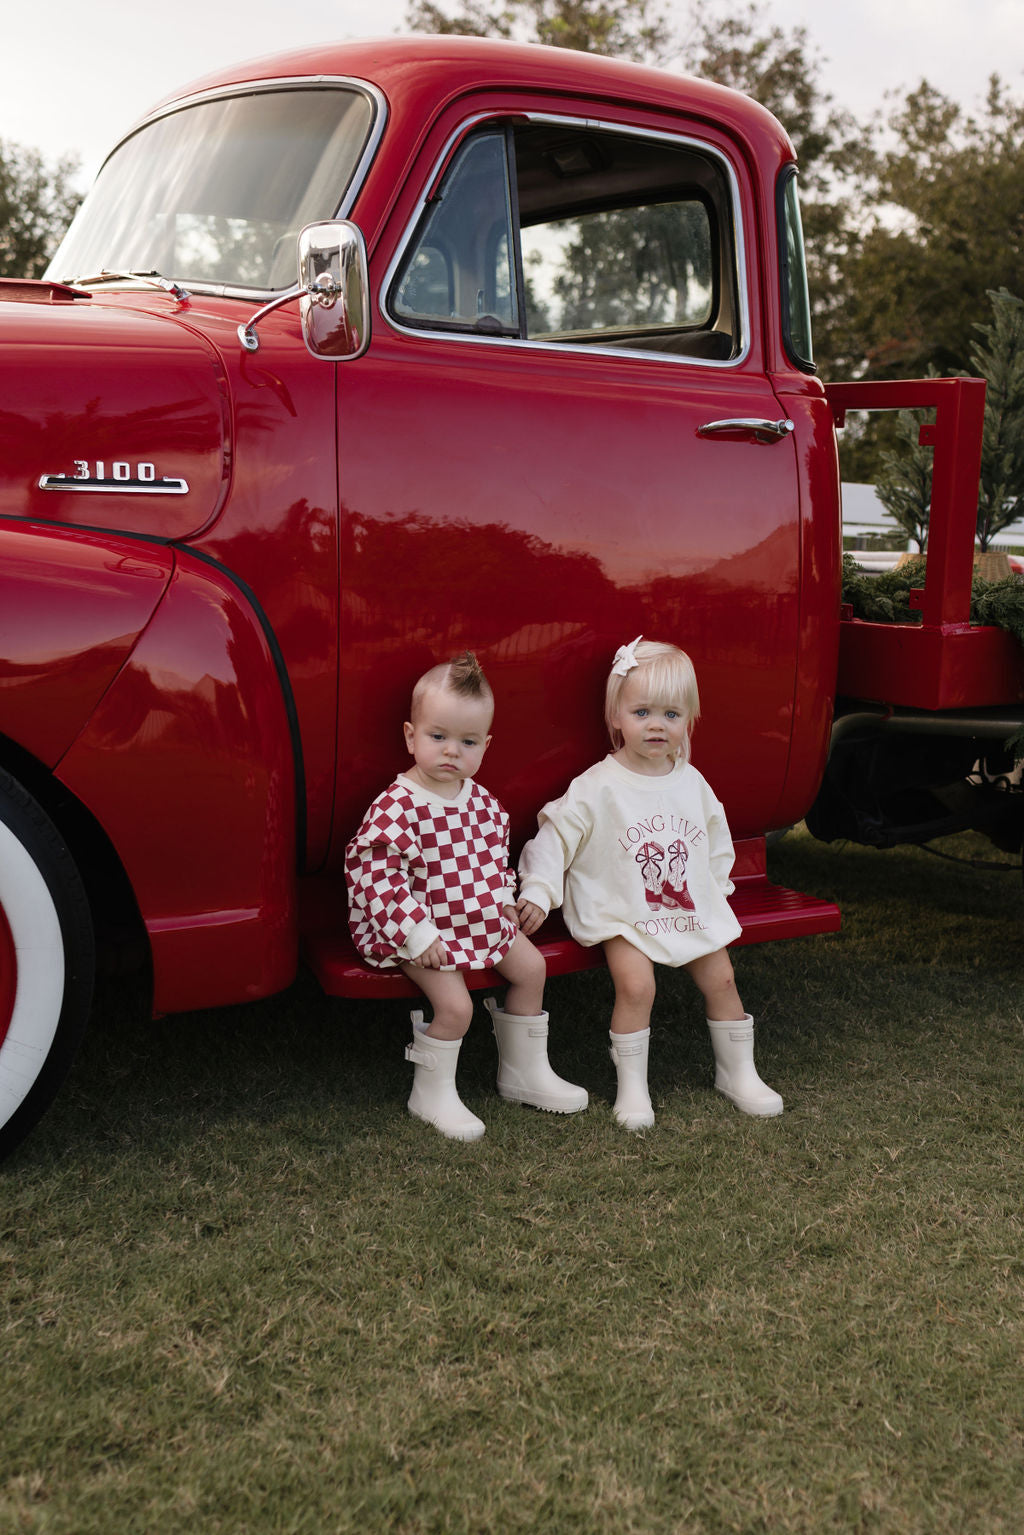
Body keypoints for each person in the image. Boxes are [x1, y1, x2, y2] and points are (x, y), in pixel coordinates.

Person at [517, 636, 782, 1129]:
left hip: (685, 905)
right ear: (616, 716)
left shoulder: (692, 781)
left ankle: (738, 1072)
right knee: (637, 986)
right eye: (641, 712)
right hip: (624, 911)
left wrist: (714, 893)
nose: (657, 725)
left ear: (690, 719)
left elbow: (715, 839)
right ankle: (633, 1086)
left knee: (723, 979)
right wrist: (538, 887)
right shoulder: (598, 785)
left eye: (671, 714)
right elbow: (554, 836)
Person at [345, 651, 587, 1141]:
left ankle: (523, 1072)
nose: (452, 751)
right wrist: (415, 933)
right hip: (416, 926)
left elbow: (493, 860)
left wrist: (502, 897)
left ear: (485, 745)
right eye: (438, 737)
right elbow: (375, 879)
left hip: (473, 914)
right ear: (411, 736)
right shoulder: (398, 806)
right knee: (456, 1007)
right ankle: (430, 1093)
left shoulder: (482, 803)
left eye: (467, 741)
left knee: (531, 968)